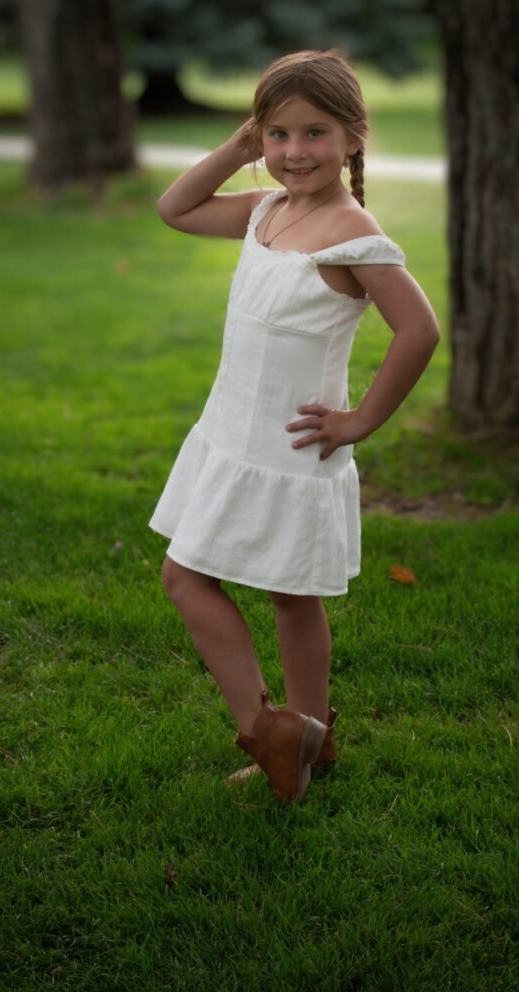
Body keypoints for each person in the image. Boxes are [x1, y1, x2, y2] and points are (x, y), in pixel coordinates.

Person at [149, 49, 440, 804]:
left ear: (353, 137)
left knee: (220, 582)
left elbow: (419, 331)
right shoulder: (267, 209)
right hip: (229, 436)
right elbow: (174, 208)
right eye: (276, 135)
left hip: (289, 447)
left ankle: (281, 731)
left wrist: (360, 420)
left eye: (314, 133)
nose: (293, 152)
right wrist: (236, 150)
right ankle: (305, 737)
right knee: (241, 586)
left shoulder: (352, 234)